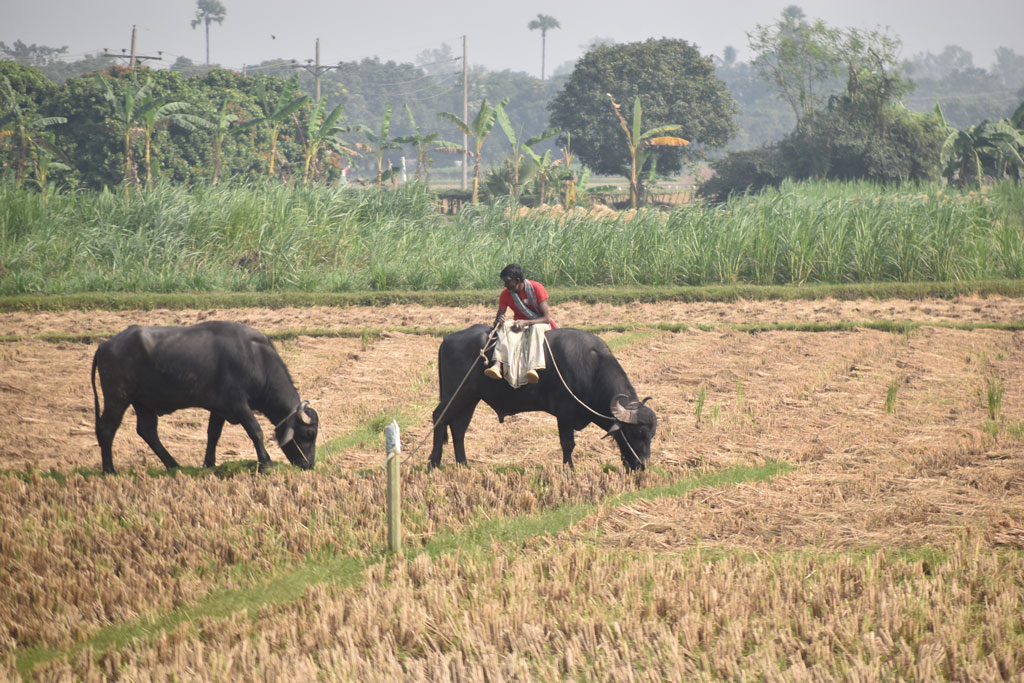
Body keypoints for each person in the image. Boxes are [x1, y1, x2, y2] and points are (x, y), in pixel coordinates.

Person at [484, 264, 557, 385]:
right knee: (506, 326)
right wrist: (499, 321)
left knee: (536, 328)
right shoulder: (505, 294)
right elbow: (497, 320)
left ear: (517, 280)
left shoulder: (536, 288)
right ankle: (497, 365)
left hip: (538, 322)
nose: (505, 285)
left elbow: (546, 318)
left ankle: (532, 368)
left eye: (508, 282)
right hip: (518, 325)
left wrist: (527, 322)